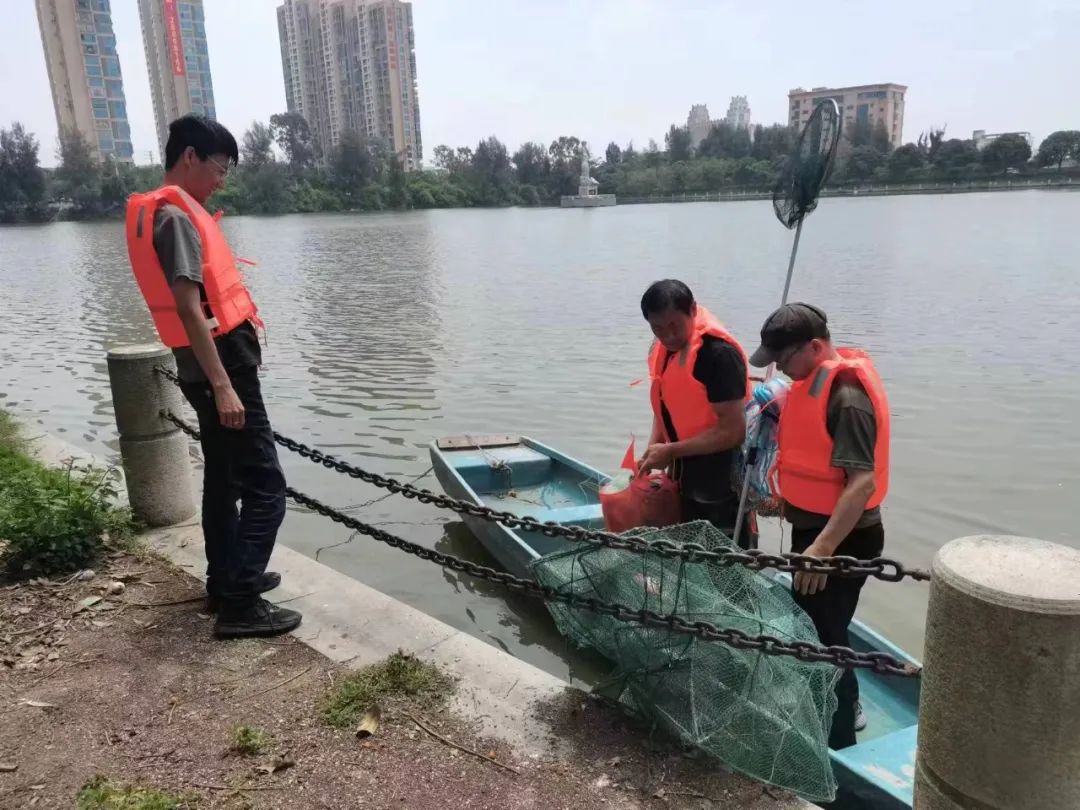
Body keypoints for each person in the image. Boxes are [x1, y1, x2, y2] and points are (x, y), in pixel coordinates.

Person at [124, 115, 301, 639]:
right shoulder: (176, 218)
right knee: (267, 486)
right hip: (221, 368)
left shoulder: (169, 213)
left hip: (207, 366)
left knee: (223, 481)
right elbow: (188, 307)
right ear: (190, 157)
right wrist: (224, 384)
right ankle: (241, 604)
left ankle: (226, 579)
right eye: (220, 168)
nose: (222, 179)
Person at [748, 302, 890, 749]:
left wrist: (821, 550)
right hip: (816, 535)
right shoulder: (810, 383)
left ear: (813, 347)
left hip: (842, 539)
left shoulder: (847, 396)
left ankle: (839, 741)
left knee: (826, 641)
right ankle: (831, 713)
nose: (780, 369)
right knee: (816, 629)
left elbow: (861, 481)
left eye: (784, 359)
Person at [637, 280, 754, 548]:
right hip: (682, 473)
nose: (668, 336)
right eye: (658, 329)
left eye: (674, 326)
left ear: (692, 310)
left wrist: (671, 451)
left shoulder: (718, 355)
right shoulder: (663, 349)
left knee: (722, 558)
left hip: (720, 480)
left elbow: (733, 431)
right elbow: (665, 403)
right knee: (685, 553)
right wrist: (654, 446)